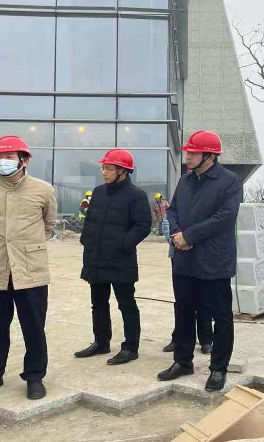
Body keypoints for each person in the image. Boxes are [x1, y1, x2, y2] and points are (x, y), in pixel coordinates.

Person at [0, 136, 57, 400]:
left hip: (30, 269)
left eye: (9, 157)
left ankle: (34, 376)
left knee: (34, 326)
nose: (2, 161)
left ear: (24, 160)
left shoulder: (43, 190)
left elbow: (48, 225)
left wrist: (25, 245)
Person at [157, 131, 243, 392]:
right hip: (184, 259)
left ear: (210, 155)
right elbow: (172, 210)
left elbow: (225, 217)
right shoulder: (185, 180)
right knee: (183, 311)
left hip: (213, 260)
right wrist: (177, 235)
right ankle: (182, 361)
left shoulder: (229, 181)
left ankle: (218, 368)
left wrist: (189, 236)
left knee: (221, 316)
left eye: (193, 152)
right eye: (187, 151)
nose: (188, 156)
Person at [74, 149, 151, 366]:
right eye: (103, 168)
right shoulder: (98, 192)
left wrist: (122, 245)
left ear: (122, 171)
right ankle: (101, 342)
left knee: (126, 304)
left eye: (108, 168)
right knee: (98, 303)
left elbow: (143, 225)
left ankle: (131, 348)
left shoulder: (136, 195)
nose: (104, 172)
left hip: (120, 260)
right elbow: (89, 220)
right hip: (96, 258)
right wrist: (86, 241)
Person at [161, 214, 213, 355]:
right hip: (178, 253)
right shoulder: (178, 203)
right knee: (181, 299)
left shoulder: (205, 204)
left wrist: (190, 239)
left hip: (202, 253)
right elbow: (167, 221)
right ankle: (179, 338)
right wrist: (177, 241)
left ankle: (206, 339)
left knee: (203, 298)